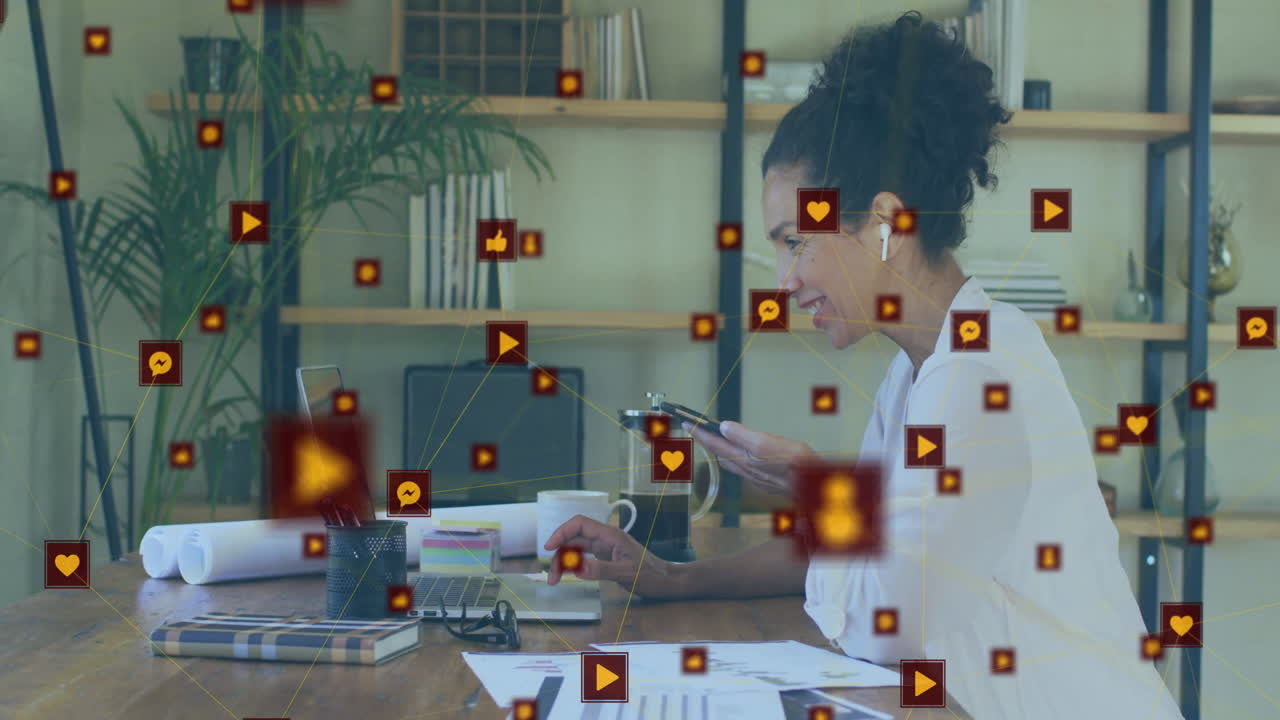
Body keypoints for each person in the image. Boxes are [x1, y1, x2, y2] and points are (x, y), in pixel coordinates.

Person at [545, 11, 1184, 719]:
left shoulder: (983, 373)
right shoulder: (921, 369)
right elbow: (866, 550)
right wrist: (673, 579)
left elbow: (891, 621)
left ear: (882, 225)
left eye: (795, 242)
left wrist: (818, 492)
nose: (784, 281)